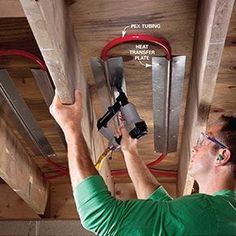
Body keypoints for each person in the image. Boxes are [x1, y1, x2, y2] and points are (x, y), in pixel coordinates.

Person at [49, 89, 236, 236]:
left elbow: (98, 215)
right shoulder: (224, 213)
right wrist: (129, 151)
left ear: (222, 156)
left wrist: (71, 128)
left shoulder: (207, 212)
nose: (195, 148)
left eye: (205, 140)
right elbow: (164, 213)